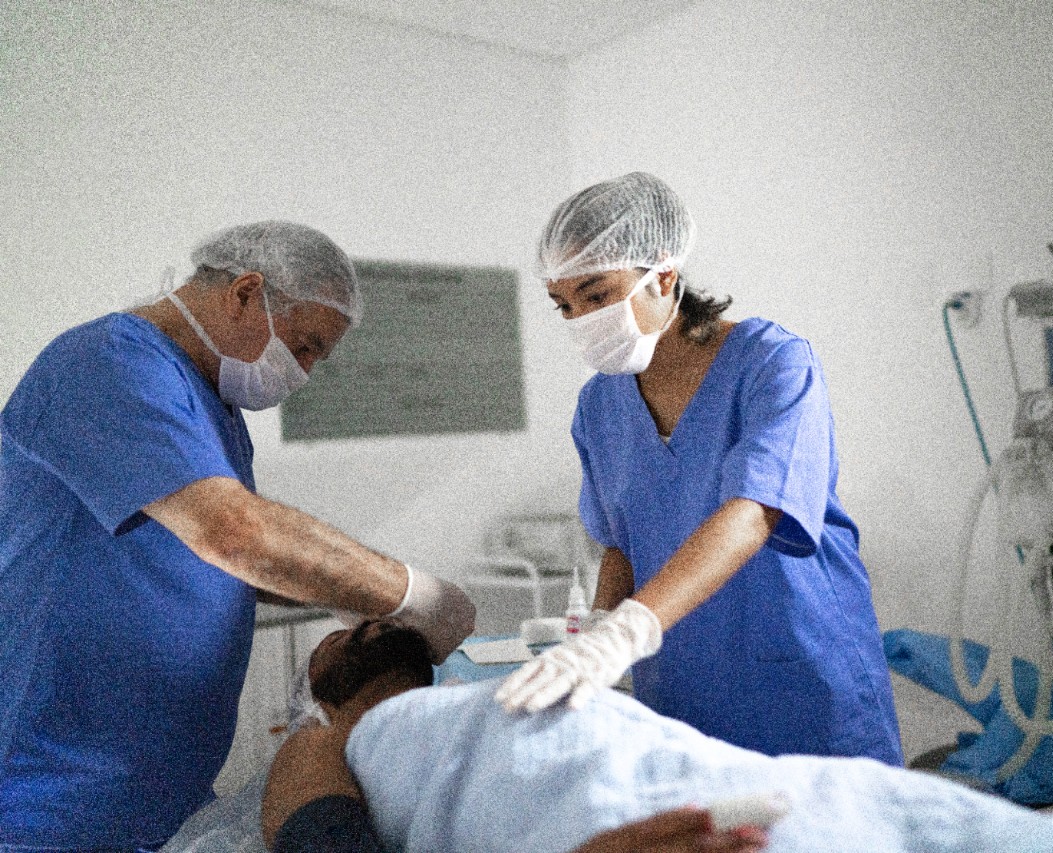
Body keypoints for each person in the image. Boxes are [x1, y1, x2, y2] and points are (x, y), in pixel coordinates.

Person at [0, 222, 475, 851]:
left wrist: (344, 595)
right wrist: (410, 594)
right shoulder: (107, 364)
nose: (303, 372)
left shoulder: (213, 406)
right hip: (60, 781)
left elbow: (203, 565)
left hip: (161, 781)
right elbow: (235, 535)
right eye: (304, 346)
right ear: (245, 293)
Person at [496, 173, 903, 764]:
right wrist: (594, 644)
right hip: (682, 684)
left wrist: (627, 631)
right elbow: (622, 543)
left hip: (801, 674)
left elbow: (755, 511)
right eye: (565, 306)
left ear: (664, 274)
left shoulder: (773, 364)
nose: (581, 319)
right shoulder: (599, 405)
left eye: (597, 294)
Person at [262, 619, 769, 853]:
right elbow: (321, 837)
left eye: (374, 621)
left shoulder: (463, 697)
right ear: (315, 693)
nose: (364, 627)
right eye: (331, 639)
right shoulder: (325, 739)